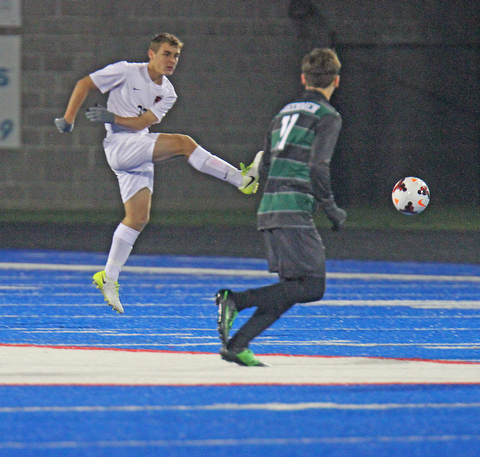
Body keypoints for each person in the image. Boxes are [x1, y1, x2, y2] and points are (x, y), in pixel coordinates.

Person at [55, 32, 263, 314]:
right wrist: (69, 119)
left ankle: (108, 276)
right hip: (120, 146)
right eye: (167, 54)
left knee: (138, 218)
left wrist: (112, 116)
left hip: (138, 145)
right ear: (151, 54)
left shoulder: (168, 92)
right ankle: (242, 180)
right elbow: (84, 84)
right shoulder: (125, 71)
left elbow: (143, 121)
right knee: (183, 143)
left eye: (176, 56)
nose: (172, 61)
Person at [215, 48, 347, 367]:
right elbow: (318, 166)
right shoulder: (328, 116)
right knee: (313, 287)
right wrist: (330, 208)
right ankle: (236, 300)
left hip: (270, 207)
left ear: (303, 78)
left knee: (292, 287)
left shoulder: (283, 113)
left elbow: (266, 164)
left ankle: (238, 344)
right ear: (336, 81)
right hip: (294, 209)